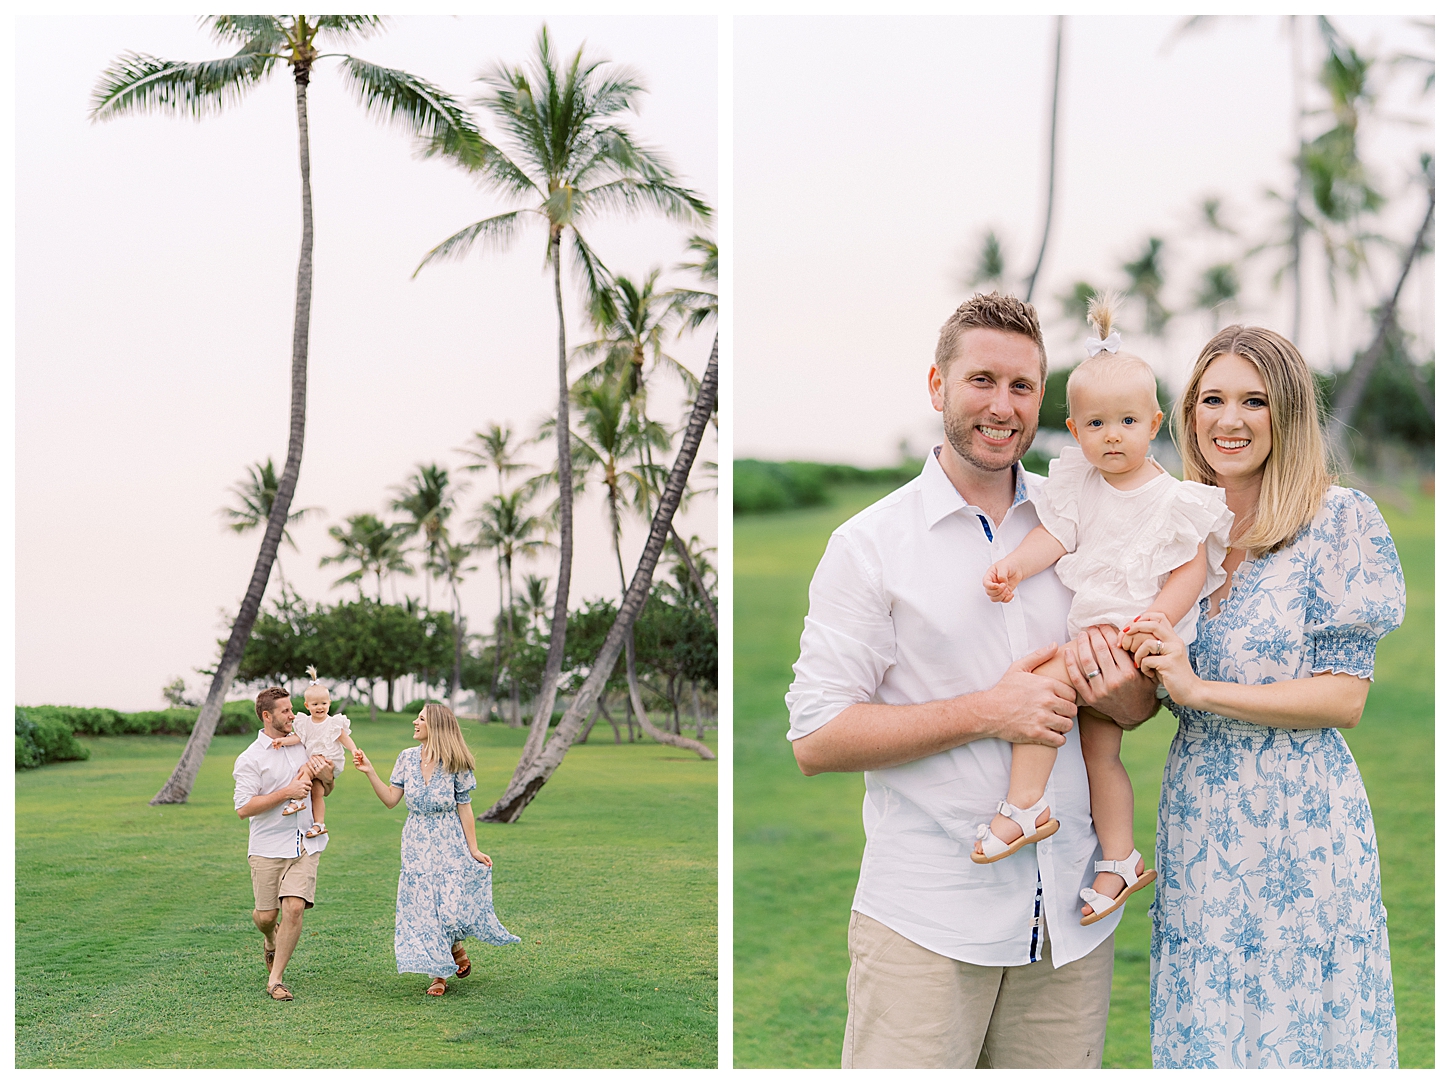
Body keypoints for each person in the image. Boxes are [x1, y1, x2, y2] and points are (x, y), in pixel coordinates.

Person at [787, 291, 1161, 1069]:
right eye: (982, 380)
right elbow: (816, 738)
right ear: (938, 387)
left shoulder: (1086, 520)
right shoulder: (869, 546)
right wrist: (991, 711)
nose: (1002, 405)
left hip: (1070, 926)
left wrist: (1121, 689)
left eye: (1022, 386)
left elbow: (1131, 706)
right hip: (927, 925)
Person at [1123, 326, 1404, 1068]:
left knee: (1297, 1028)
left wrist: (1199, 689)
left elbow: (1345, 697)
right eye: (1212, 399)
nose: (1230, 419)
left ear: (1288, 414)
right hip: (1200, 820)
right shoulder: (1178, 531)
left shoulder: (1338, 520)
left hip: (1299, 821)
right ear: (1188, 415)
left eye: (1254, 400)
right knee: (1209, 1027)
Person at [979, 294, 1233, 926]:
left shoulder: (1174, 498)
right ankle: (1119, 862)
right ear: (1074, 431)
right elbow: (1055, 538)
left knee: (1041, 685)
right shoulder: (1078, 487)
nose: (1111, 436)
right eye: (1095, 425)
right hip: (1095, 636)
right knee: (1100, 752)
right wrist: (1014, 565)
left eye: (1125, 423)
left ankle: (1024, 806)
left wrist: (1159, 620)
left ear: (1153, 423)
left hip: (1132, 639)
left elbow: (1191, 569)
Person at [354, 703, 520, 996]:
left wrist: (474, 849)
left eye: (420, 719)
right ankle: (439, 975)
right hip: (416, 841)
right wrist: (369, 771)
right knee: (424, 907)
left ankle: (455, 947)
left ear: (436, 726)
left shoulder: (456, 762)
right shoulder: (406, 758)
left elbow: (464, 808)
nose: (414, 723)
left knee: (450, 907)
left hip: (449, 840)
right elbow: (391, 799)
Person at [233, 685, 336, 1001]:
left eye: (293, 709)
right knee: (266, 917)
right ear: (267, 716)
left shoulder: (304, 743)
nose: (294, 715)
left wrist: (328, 775)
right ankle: (269, 938)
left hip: (305, 843)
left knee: (293, 908)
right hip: (267, 847)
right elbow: (243, 808)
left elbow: (326, 789)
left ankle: (276, 979)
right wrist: (286, 793)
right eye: (286, 711)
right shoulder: (250, 758)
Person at [270, 665, 360, 838]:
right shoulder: (305, 723)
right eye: (315, 704)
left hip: (329, 760)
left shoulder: (333, 722)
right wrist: (283, 741)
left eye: (324, 703)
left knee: (304, 770)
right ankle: (319, 824)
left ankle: (297, 800)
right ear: (307, 705)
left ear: (330, 703)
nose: (320, 707)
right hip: (316, 763)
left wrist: (354, 750)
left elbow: (344, 738)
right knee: (317, 793)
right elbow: (297, 738)